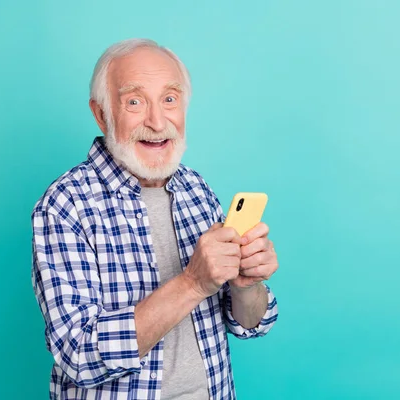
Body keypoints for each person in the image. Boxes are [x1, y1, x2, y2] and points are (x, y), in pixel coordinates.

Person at [31, 38, 279, 400]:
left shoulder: (197, 189)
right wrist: (192, 283)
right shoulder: (65, 205)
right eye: (134, 101)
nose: (157, 121)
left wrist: (246, 285)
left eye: (169, 99)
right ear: (101, 113)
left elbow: (249, 323)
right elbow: (78, 354)